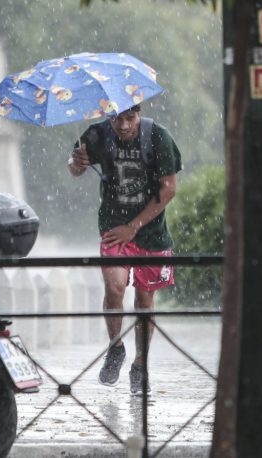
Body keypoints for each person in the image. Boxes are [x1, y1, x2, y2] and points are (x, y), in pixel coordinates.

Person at [68, 104, 182, 395]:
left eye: (130, 118)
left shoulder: (158, 137)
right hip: (112, 226)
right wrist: (78, 164)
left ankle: (141, 364)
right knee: (115, 288)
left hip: (151, 233)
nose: (123, 125)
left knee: (145, 301)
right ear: (109, 116)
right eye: (117, 118)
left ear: (139, 113)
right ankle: (115, 347)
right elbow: (74, 168)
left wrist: (134, 226)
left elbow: (169, 188)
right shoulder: (97, 135)